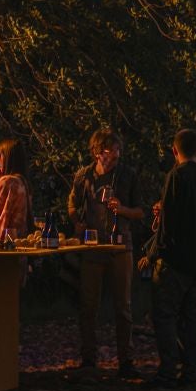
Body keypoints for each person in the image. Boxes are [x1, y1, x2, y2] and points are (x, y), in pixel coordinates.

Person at [69, 127, 142, 378]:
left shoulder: (127, 176)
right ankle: (89, 359)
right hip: (92, 247)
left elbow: (140, 211)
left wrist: (121, 209)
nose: (114, 156)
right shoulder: (84, 176)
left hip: (121, 247)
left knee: (123, 306)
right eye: (108, 151)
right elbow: (72, 204)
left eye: (117, 151)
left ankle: (126, 361)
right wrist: (77, 224)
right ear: (97, 152)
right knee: (88, 305)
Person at [150, 129, 196, 387]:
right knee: (193, 314)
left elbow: (169, 221)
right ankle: (193, 366)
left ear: (174, 151)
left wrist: (160, 252)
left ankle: (169, 368)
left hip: (176, 258)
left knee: (165, 314)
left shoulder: (175, 177)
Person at [0, 138, 32, 236]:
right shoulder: (22, 181)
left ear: (8, 157)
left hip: (2, 242)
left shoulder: (7, 181)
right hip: (17, 240)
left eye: (0, 155)